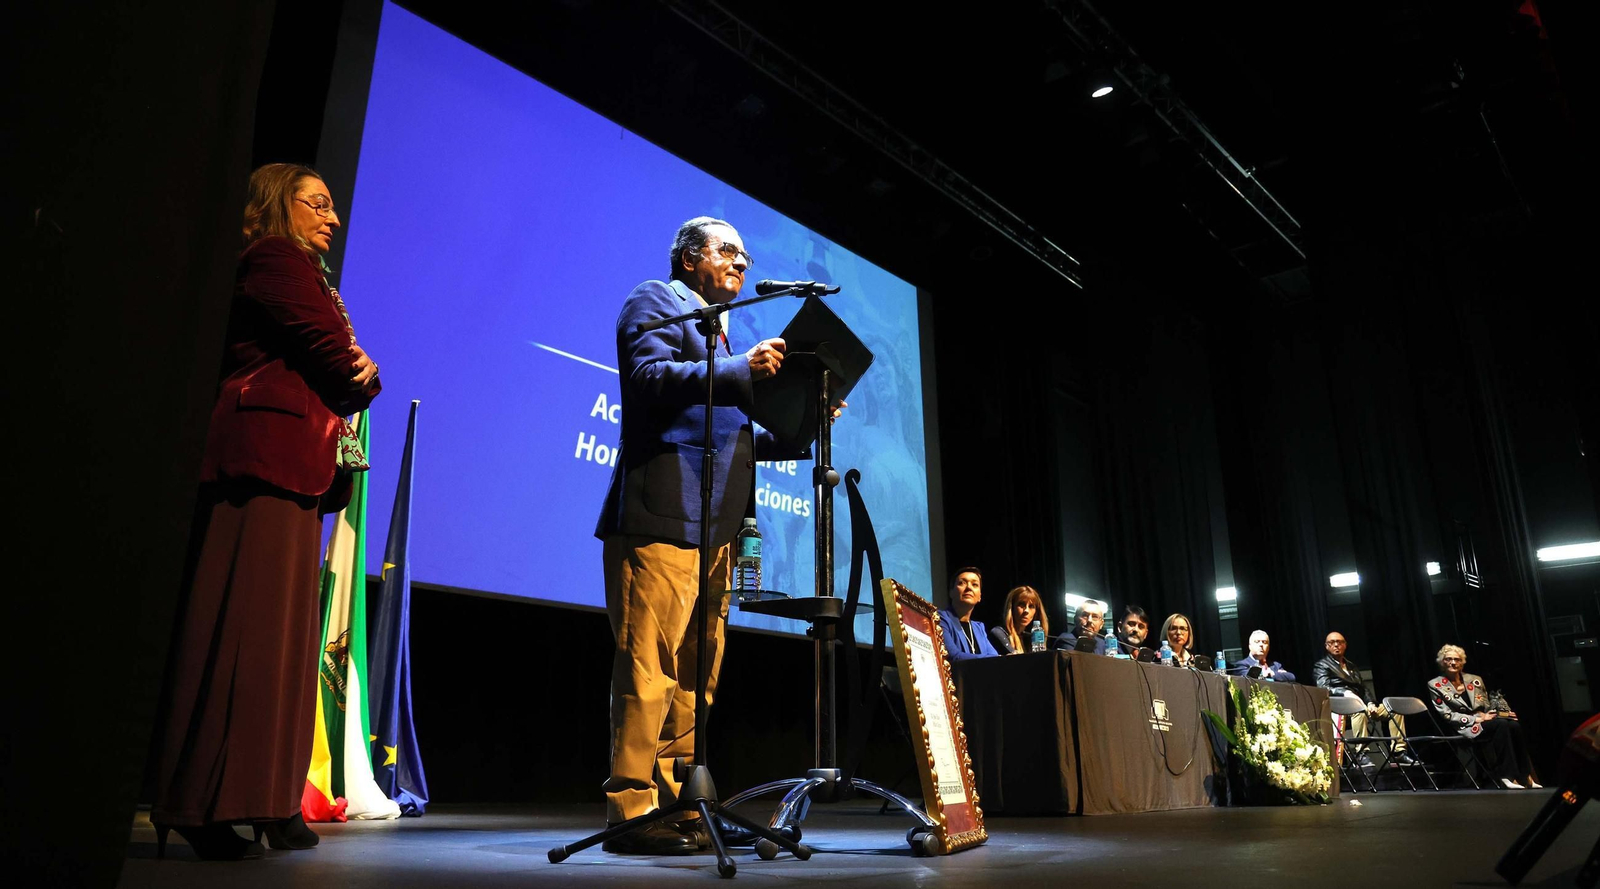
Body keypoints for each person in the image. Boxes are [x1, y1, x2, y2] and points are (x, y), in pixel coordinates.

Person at [149, 164, 381, 860]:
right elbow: (339, 360)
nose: (332, 218)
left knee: (282, 644)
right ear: (281, 204)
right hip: (261, 460)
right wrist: (360, 367)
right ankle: (205, 802)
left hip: (295, 466)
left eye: (334, 207)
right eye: (318, 203)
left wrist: (359, 373)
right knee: (244, 633)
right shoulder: (274, 257)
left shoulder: (308, 272)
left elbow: (345, 371)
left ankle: (271, 797)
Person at [594, 216, 832, 855]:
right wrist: (737, 370)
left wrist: (806, 418)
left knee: (698, 679)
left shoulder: (722, 336)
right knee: (649, 670)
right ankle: (631, 812)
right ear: (689, 256)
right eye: (729, 251)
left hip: (718, 531)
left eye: (746, 256)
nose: (741, 264)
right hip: (660, 516)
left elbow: (739, 435)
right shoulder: (656, 300)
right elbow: (646, 380)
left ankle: (680, 807)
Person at [1428, 644, 1541, 789]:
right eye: (1448, 659)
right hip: (1464, 726)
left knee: (1512, 724)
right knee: (1501, 725)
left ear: (1462, 662)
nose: (1453, 663)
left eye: (1457, 659)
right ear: (1442, 662)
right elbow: (1447, 715)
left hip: (1485, 722)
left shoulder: (1475, 679)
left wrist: (1502, 714)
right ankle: (1507, 775)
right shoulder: (1435, 684)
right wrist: (1477, 719)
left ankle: (1525, 775)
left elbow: (1487, 705)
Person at [1312, 631, 1417, 766]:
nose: (1336, 645)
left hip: (1361, 704)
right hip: (1340, 708)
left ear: (1345, 645)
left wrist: (1371, 703)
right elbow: (1323, 687)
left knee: (1393, 710)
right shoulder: (1322, 665)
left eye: (1340, 642)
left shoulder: (1351, 666)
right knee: (1358, 711)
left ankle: (1398, 752)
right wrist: (1345, 693)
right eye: (1332, 643)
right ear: (1327, 646)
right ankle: (1361, 753)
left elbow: (1363, 689)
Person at [939, 568, 1001, 660]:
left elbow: (995, 657)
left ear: (979, 596)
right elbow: (953, 656)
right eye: (961, 583)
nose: (969, 587)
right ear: (951, 592)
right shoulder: (941, 619)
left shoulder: (979, 627)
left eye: (974, 584)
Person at [991, 585, 1048, 655]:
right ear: (1012, 608)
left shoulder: (1030, 636)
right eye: (1021, 605)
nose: (1026, 611)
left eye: (1031, 606)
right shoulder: (999, 632)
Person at [1233, 630, 1297, 681]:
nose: (1261, 645)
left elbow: (1291, 677)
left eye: (1264, 642)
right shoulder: (1241, 665)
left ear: (1268, 647)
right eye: (1257, 641)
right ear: (1250, 646)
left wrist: (1272, 673)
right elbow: (1247, 678)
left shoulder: (1275, 665)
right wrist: (1262, 673)